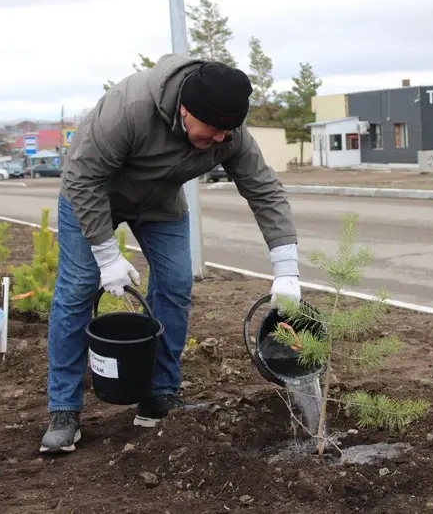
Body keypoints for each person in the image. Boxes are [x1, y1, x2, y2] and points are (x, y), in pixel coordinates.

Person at [40, 54, 302, 454]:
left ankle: (159, 395)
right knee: (77, 288)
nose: (219, 139)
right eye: (212, 129)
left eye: (227, 132)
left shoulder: (228, 132)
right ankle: (64, 410)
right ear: (184, 110)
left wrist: (287, 269)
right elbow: (81, 177)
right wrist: (107, 256)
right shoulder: (128, 109)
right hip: (90, 196)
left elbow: (263, 189)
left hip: (160, 204)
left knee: (177, 283)